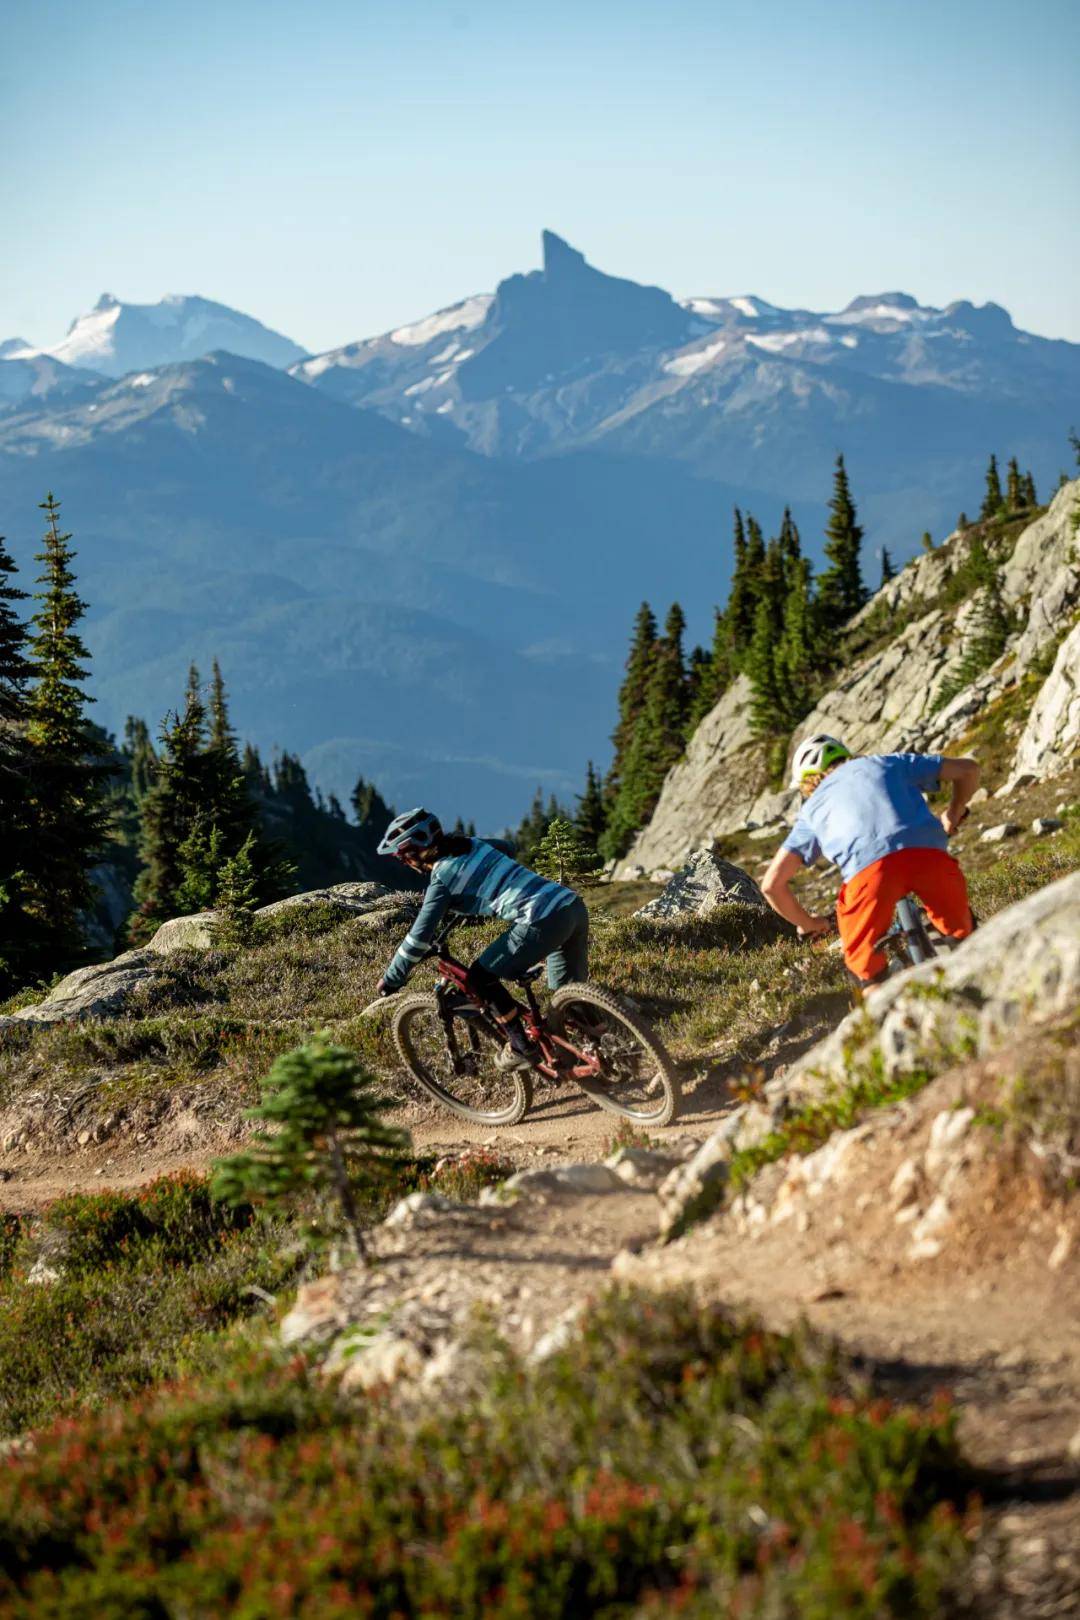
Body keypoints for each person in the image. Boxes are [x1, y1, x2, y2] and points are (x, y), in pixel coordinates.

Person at [761, 735, 979, 984]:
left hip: (870, 877)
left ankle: (877, 1007)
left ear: (808, 782)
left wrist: (809, 923)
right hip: (929, 858)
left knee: (865, 974)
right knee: (965, 939)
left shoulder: (812, 809)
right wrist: (954, 811)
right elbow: (968, 770)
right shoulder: (889, 762)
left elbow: (771, 885)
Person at [375, 808, 590, 1059]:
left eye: (402, 858)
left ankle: (521, 1048)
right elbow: (507, 846)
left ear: (411, 855)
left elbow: (419, 937)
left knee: (480, 978)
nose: (404, 863)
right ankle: (607, 1046)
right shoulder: (473, 844)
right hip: (571, 905)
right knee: (570, 994)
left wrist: (392, 978)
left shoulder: (442, 879)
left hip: (542, 920)